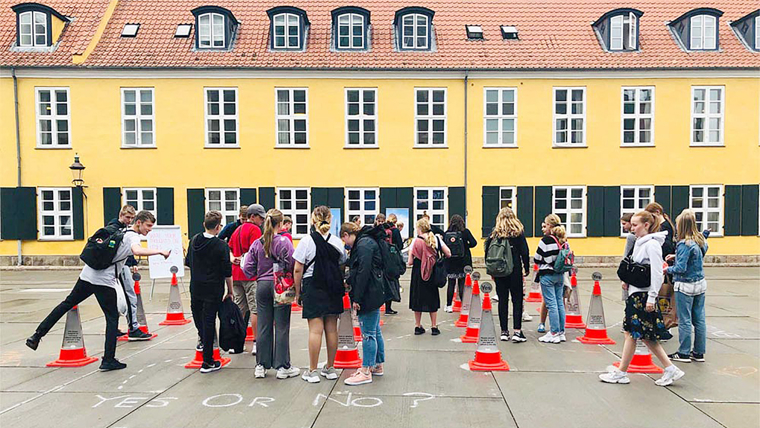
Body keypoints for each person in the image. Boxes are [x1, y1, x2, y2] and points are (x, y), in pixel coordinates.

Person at [26, 211, 170, 371]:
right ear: (139, 223)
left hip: (88, 274)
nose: (150, 229)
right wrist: (159, 251)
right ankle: (108, 359)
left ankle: (37, 336)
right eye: (148, 226)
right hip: (104, 280)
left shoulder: (121, 230)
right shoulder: (133, 236)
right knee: (112, 317)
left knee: (67, 303)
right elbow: (136, 250)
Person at [600, 211, 684, 386]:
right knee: (641, 334)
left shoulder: (651, 245)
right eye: (632, 224)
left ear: (646, 225)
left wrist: (652, 298)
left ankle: (623, 372)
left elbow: (656, 272)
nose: (632, 227)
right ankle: (668, 369)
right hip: (637, 293)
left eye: (636, 224)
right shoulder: (641, 242)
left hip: (643, 295)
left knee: (635, 333)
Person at [242, 209, 299, 380]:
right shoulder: (284, 241)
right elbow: (292, 263)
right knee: (281, 326)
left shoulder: (257, 243)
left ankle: (261, 365)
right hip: (279, 284)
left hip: (262, 284)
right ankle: (282, 366)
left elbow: (247, 269)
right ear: (280, 223)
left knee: (264, 325)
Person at [293, 206, 347, 383]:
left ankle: (312, 370)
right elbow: (342, 265)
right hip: (333, 287)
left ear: (312, 220)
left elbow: (298, 269)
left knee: (315, 331)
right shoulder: (338, 242)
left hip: (313, 286)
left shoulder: (306, 241)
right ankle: (330, 368)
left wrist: (298, 291)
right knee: (331, 329)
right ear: (330, 221)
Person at [185, 211, 234, 373]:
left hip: (196, 286)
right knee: (209, 321)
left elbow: (188, 263)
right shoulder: (221, 246)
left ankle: (203, 344)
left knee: (199, 318)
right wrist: (230, 290)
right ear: (218, 227)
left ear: (204, 225)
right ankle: (208, 361)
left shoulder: (194, 241)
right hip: (213, 288)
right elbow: (227, 271)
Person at [341, 222, 387, 386]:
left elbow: (363, 271)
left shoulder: (362, 245)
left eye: (344, 240)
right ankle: (377, 364)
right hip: (375, 290)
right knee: (375, 330)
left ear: (346, 235)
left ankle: (366, 370)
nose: (345, 244)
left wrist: (357, 298)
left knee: (368, 333)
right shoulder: (367, 241)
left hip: (368, 293)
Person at [666, 209, 709, 363]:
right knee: (699, 319)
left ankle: (683, 352)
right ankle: (698, 352)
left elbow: (680, 269)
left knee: (684, 319)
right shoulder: (700, 241)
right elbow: (697, 256)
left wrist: (666, 268)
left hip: (684, 286)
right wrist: (677, 256)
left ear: (681, 226)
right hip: (700, 283)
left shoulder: (684, 244)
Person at [485, 208, 530, 342]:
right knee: (517, 300)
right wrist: (526, 268)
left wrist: (492, 271)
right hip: (514, 269)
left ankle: (504, 332)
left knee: (502, 300)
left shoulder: (494, 234)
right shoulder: (518, 233)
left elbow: (487, 252)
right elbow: (525, 252)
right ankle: (517, 331)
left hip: (499, 271)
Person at [106, 205, 151, 341]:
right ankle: (133, 328)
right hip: (119, 267)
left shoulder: (125, 229)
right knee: (128, 295)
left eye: (131, 218)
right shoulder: (114, 228)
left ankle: (114, 327)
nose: (129, 220)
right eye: (127, 217)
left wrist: (133, 263)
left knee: (116, 298)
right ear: (121, 215)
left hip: (120, 265)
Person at [229, 204, 266, 356]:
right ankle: (257, 343)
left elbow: (229, 247)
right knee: (255, 309)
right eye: (260, 217)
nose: (262, 220)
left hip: (236, 273)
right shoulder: (254, 230)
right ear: (252, 216)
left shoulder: (237, 229)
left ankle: (236, 343)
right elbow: (256, 251)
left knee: (239, 309)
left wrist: (233, 259)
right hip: (250, 275)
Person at [408, 218, 451, 335]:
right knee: (432, 297)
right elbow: (448, 253)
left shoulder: (416, 241)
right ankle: (434, 326)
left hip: (418, 272)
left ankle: (418, 326)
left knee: (417, 297)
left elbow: (410, 262)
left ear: (419, 229)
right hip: (432, 271)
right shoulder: (436, 239)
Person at [533, 214, 567, 344]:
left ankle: (553, 332)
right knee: (559, 303)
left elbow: (537, 258)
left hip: (547, 274)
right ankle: (561, 332)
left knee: (551, 304)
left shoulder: (546, 240)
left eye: (546, 224)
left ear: (550, 226)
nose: (544, 227)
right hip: (560, 274)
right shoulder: (563, 239)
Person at [443, 215, 477, 313]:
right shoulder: (465, 232)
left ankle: (449, 305)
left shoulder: (447, 233)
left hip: (450, 261)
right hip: (463, 260)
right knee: (462, 283)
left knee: (451, 283)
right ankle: (463, 306)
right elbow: (474, 243)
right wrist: (466, 246)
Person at [385, 214, 404, 314]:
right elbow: (400, 245)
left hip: (384, 257)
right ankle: (388, 307)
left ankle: (385, 306)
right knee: (392, 281)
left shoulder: (384, 229)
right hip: (392, 257)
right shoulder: (395, 231)